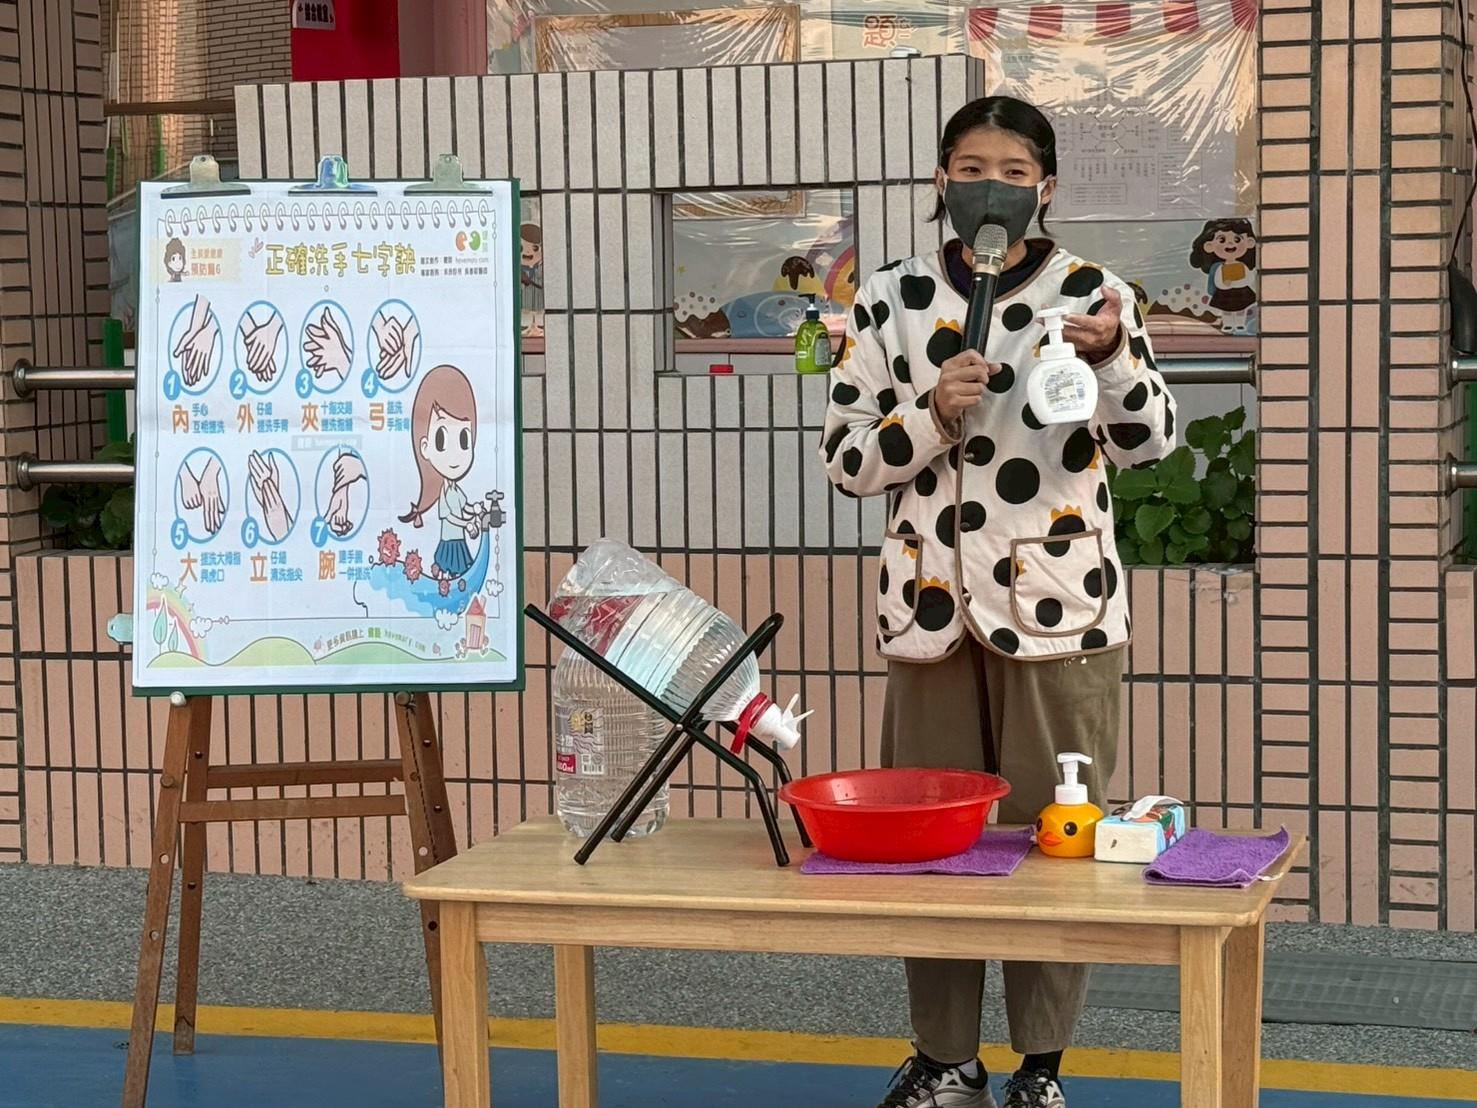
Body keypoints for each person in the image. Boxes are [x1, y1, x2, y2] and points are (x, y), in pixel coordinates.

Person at [818, 96, 1176, 1108]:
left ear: (1045, 188)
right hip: (929, 609)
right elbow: (845, 460)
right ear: (940, 180)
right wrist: (929, 414)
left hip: (1060, 605)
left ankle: (1040, 1066)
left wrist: (1109, 360)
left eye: (1014, 173)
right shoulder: (888, 298)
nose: (991, 188)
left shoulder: (1094, 292)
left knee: (1052, 836)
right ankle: (946, 1057)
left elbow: (1151, 442)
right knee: (929, 841)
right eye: (971, 168)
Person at [398, 364, 481, 582]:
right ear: (425, 447)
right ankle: (440, 574)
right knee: (450, 569)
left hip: (459, 539)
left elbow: (464, 506)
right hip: (450, 539)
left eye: (463, 439)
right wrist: (467, 523)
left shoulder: (455, 489)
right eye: (442, 439)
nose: (455, 455)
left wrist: (475, 510)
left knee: (460, 571)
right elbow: (450, 516)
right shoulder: (443, 492)